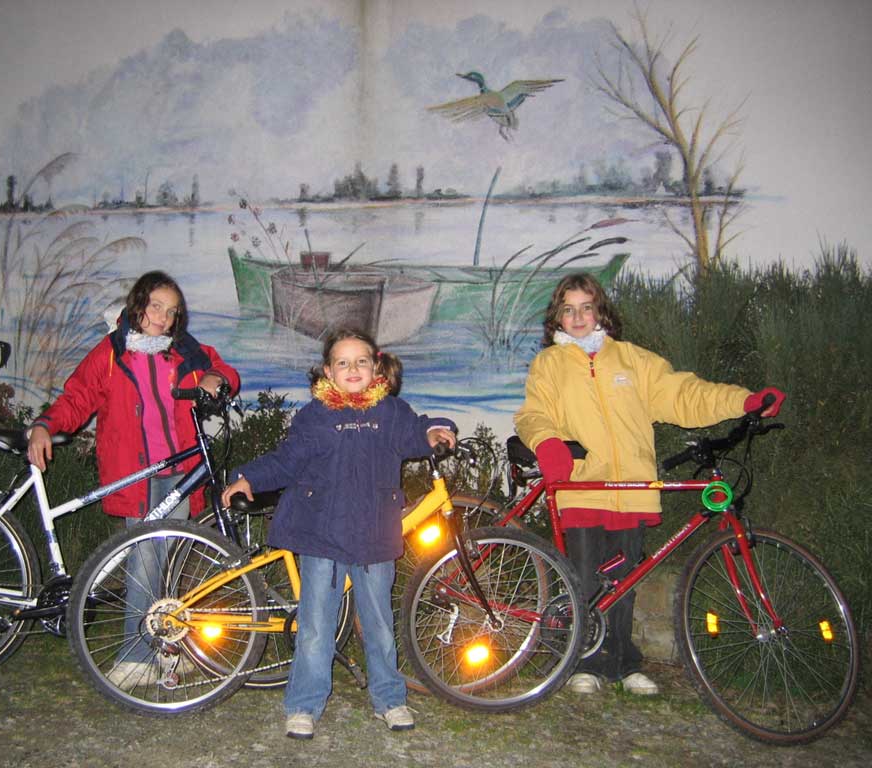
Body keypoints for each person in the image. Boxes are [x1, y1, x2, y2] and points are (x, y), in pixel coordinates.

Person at [514, 273, 784, 696]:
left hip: (632, 488)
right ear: (557, 318)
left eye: (587, 307)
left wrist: (743, 401)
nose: (578, 316)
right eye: (568, 309)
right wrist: (547, 444)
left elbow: (683, 394)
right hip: (582, 487)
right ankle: (582, 662)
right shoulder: (548, 364)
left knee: (623, 582)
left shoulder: (633, 360)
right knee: (584, 580)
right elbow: (533, 414)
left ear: (600, 311)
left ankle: (622, 664)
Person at [221, 328, 456, 740]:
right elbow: (286, 460)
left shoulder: (391, 412)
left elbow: (419, 431)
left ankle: (390, 698)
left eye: (361, 361)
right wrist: (247, 478)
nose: (353, 369)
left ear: (376, 367)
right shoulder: (315, 415)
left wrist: (438, 429)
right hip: (321, 534)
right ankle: (304, 703)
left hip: (374, 535)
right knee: (314, 626)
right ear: (328, 371)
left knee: (380, 625)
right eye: (342, 362)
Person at [26, 270, 240, 683]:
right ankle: (134, 658)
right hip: (137, 475)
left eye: (172, 312)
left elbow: (225, 370)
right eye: (156, 307)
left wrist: (217, 377)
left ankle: (169, 652)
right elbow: (77, 397)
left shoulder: (186, 352)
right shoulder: (111, 354)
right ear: (137, 305)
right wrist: (44, 425)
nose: (162, 318)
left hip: (178, 471)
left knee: (171, 566)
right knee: (145, 563)